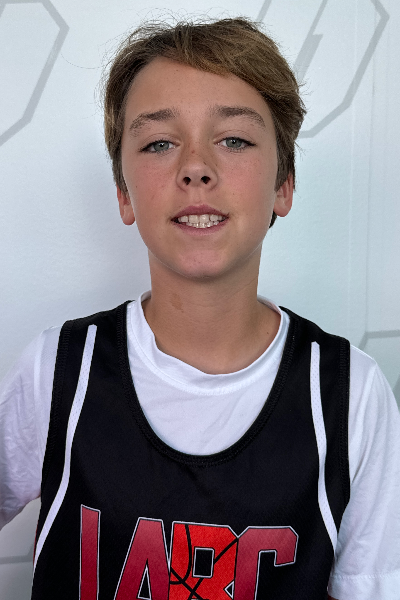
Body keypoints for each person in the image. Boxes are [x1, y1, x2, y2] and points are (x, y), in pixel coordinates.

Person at [1, 17, 399, 600]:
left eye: (233, 139)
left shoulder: (349, 394)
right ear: (123, 193)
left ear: (284, 184)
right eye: (159, 143)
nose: (195, 166)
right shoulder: (59, 371)